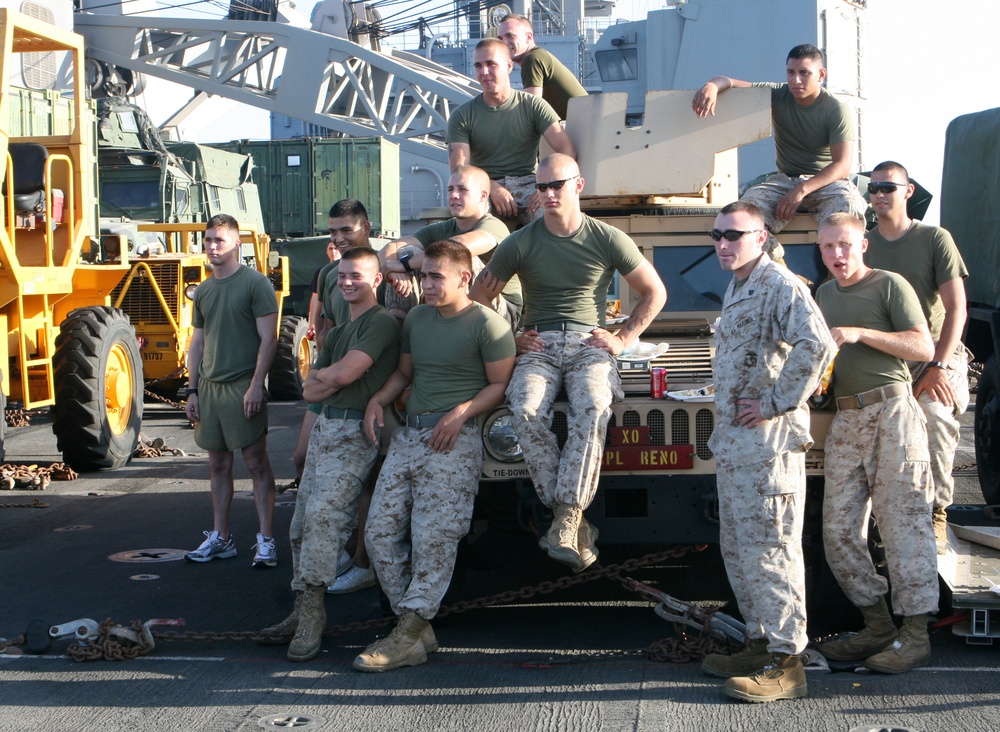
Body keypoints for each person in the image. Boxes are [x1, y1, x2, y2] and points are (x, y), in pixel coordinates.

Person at [469, 153, 666, 572]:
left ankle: (568, 515)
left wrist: (624, 337)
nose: (548, 194)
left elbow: (655, 292)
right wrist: (509, 338)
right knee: (523, 407)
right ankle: (572, 520)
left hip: (587, 344)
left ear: (578, 185)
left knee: (594, 406)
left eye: (557, 185)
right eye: (541, 187)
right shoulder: (519, 242)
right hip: (538, 346)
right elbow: (479, 296)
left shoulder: (607, 237)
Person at [355, 239, 516, 672]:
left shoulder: (488, 325)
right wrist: (378, 400)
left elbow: (500, 384)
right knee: (379, 535)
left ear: (464, 278)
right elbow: (406, 372)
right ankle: (418, 628)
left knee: (435, 539)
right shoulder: (419, 319)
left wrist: (460, 414)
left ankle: (407, 632)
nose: (425, 284)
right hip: (410, 437)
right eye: (424, 274)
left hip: (454, 442)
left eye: (435, 276)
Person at [699, 201, 835, 703]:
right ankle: (758, 644)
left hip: (768, 448)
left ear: (760, 236)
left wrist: (777, 401)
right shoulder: (740, 284)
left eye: (733, 235)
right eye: (716, 235)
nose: (722, 244)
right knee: (741, 550)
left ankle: (788, 662)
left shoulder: (780, 284)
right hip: (738, 447)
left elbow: (816, 344)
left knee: (772, 551)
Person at [259, 247, 400, 662]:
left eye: (356, 275)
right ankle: (299, 610)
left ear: (376, 280)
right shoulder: (337, 333)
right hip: (327, 428)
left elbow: (339, 375)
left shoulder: (381, 325)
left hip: (356, 431)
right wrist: (326, 378)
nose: (347, 282)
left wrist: (327, 377)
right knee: (301, 525)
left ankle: (314, 618)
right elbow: (308, 390)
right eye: (342, 276)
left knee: (326, 520)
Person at [814, 213, 938, 674]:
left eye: (844, 245)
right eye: (828, 247)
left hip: (892, 414)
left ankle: (915, 636)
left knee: (904, 526)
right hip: (845, 419)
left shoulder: (889, 285)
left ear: (862, 244)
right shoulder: (824, 295)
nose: (836, 255)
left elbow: (923, 347)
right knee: (839, 532)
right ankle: (877, 624)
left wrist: (860, 333)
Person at [863, 160, 970, 553]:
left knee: (936, 418)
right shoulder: (864, 244)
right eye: (872, 188)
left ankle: (937, 512)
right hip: (887, 355)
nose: (878, 195)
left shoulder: (934, 238)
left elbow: (957, 307)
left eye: (887, 187)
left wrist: (940, 366)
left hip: (937, 351)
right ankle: (882, 518)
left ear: (907, 191)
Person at [692, 44, 866, 251]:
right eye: (790, 72)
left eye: (804, 73)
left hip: (826, 183)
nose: (796, 80)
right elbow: (731, 82)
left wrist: (802, 190)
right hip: (785, 181)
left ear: (821, 75)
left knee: (850, 208)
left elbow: (842, 165)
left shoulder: (835, 108)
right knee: (742, 218)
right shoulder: (778, 94)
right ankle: (778, 268)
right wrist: (712, 85)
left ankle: (836, 275)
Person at [184, 214, 279, 568]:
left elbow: (269, 340)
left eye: (218, 241)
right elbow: (197, 341)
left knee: (256, 464)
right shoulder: (205, 290)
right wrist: (192, 390)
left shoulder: (256, 284)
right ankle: (221, 538)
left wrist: (256, 385)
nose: (211, 247)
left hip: (243, 387)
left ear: (236, 243)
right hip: (209, 389)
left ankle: (266, 540)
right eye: (207, 240)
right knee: (218, 464)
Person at [447, 37, 576, 227]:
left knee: (553, 214)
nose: (484, 72)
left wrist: (545, 189)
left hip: (528, 184)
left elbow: (567, 149)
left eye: (491, 64)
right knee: (469, 214)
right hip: (484, 186)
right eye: (478, 66)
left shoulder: (533, 106)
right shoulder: (462, 115)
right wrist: (491, 186)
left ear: (508, 66)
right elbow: (460, 169)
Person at [381, 165, 521, 324]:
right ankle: (402, 327)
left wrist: (405, 265)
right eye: (450, 189)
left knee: (462, 259)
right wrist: (393, 272)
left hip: (499, 309)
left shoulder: (494, 226)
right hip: (452, 304)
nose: (454, 195)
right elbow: (392, 247)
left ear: (482, 196)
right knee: (407, 250)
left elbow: (457, 248)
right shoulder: (442, 228)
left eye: (462, 189)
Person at [497, 13, 587, 120]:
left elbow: (531, 111)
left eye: (510, 36)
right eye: (500, 38)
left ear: (528, 37)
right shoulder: (539, 56)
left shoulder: (532, 60)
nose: (504, 43)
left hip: (585, 130)